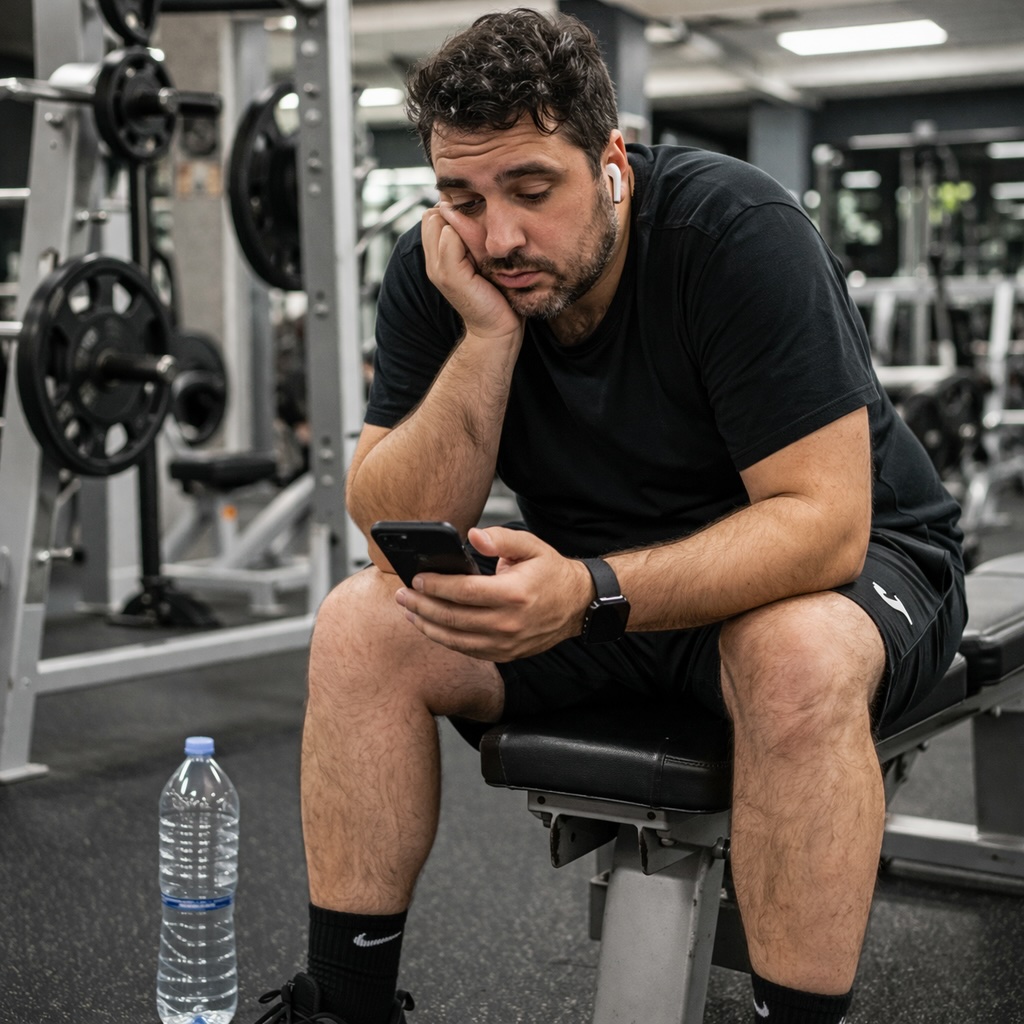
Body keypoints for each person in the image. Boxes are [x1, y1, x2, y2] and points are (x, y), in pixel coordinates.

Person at [252, 8, 966, 1024]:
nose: (497, 234)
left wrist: (587, 592)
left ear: (612, 160)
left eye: (532, 191)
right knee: (364, 623)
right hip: (611, 591)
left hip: (846, 570)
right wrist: (488, 336)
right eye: (462, 196)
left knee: (791, 651)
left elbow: (823, 523)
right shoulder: (453, 269)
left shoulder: (734, 233)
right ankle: (345, 1005)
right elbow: (390, 524)